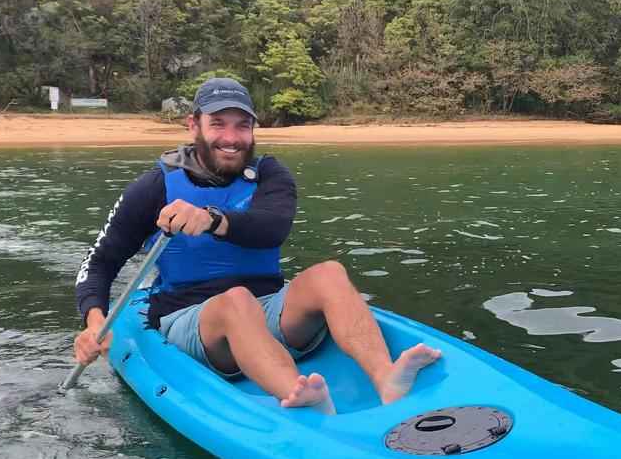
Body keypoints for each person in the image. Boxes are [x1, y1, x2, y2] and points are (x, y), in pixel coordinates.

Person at [73, 77, 440, 414]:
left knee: (329, 273)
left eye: (242, 126)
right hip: (190, 318)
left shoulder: (269, 174)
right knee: (236, 301)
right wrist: (94, 323)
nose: (231, 137)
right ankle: (307, 402)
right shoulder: (153, 188)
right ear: (193, 125)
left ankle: (386, 378)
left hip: (267, 308)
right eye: (218, 124)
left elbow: (271, 227)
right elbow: (100, 262)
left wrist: (212, 219)